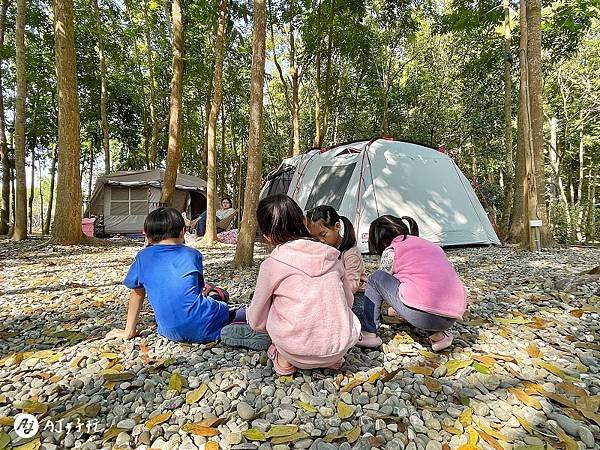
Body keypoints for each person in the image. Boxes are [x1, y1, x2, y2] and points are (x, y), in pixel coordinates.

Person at [226, 194, 361, 375]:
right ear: (302, 221)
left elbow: (257, 318)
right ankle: (329, 359)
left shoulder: (272, 264)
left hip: (296, 350)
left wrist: (262, 327)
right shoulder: (331, 256)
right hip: (338, 347)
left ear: (267, 236)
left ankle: (283, 358)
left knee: (271, 304)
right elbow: (348, 301)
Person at [105, 207, 244, 343]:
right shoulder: (192, 255)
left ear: (147, 235)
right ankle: (239, 317)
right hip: (204, 324)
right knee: (224, 305)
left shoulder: (142, 257)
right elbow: (197, 289)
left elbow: (137, 293)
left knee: (209, 295)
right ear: (183, 231)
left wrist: (128, 331)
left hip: (169, 331)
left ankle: (217, 298)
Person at [362, 215, 467, 351]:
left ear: (381, 243)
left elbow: (383, 281)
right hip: (452, 315)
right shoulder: (431, 246)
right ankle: (438, 336)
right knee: (425, 289)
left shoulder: (392, 250)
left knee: (375, 279)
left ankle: (369, 333)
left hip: (423, 316)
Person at [305, 205, 374, 346]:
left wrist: (329, 298)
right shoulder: (323, 249)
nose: (321, 241)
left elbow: (352, 286)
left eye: (323, 235)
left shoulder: (350, 253)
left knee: (354, 310)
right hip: (331, 292)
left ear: (336, 227)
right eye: (316, 238)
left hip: (356, 295)